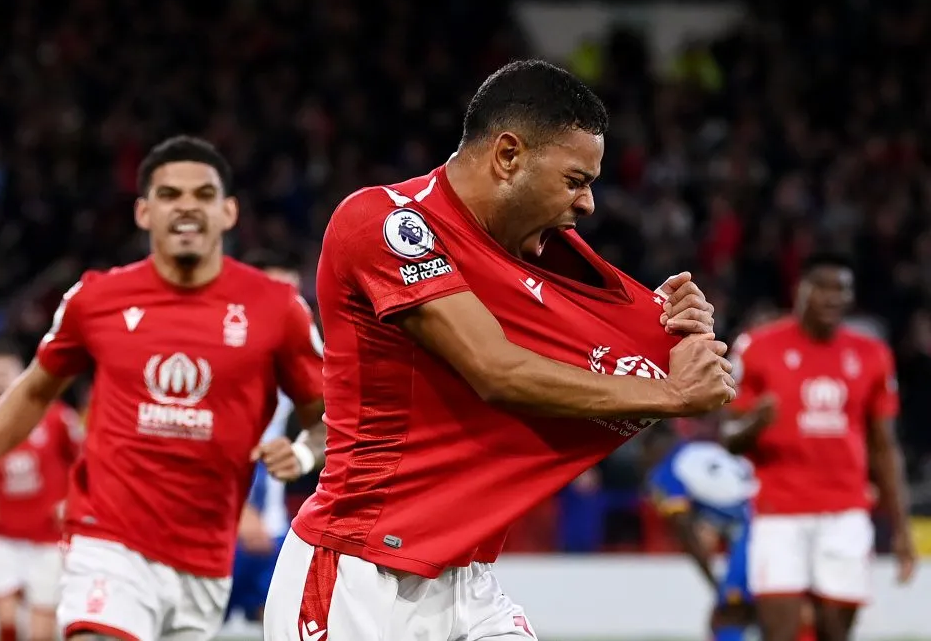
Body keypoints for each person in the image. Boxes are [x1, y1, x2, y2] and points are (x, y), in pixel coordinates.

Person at [264, 59, 735, 641]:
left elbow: (581, 357)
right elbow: (497, 371)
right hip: (361, 575)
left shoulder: (523, 259)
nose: (587, 204)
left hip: (470, 581)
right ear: (509, 156)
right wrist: (671, 391)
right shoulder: (387, 224)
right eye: (575, 180)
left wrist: (665, 332)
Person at [0, 135, 326, 641]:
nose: (186, 206)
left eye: (203, 195)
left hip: (206, 556)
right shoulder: (96, 299)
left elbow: (326, 419)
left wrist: (303, 454)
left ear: (228, 212)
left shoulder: (278, 309)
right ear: (143, 212)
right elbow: (34, 390)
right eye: (169, 194)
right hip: (107, 539)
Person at [724, 251, 916, 641]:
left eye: (841, 289)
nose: (832, 298)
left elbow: (884, 446)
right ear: (800, 291)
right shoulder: (758, 347)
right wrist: (755, 424)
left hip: (845, 512)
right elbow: (728, 438)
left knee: (835, 633)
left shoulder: (872, 355)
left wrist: (901, 529)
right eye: (822, 288)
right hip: (779, 511)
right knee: (779, 632)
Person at [0, 339, 82, 641]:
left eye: (5, 373)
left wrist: (74, 502)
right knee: (7, 619)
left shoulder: (57, 418)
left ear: (22, 374)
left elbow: (88, 462)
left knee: (41, 631)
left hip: (50, 537)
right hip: (1, 537)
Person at [226, 254, 321, 624]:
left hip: (277, 530)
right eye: (275, 291)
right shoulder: (225, 359)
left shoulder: (306, 362)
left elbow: (331, 429)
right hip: (225, 526)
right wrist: (239, 511)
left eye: (295, 294)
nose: (287, 304)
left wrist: (301, 455)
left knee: (277, 623)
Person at [644, 424, 757, 641]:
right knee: (755, 610)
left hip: (756, 527)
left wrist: (712, 580)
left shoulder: (667, 472)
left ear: (651, 449)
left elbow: (683, 527)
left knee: (728, 614)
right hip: (772, 517)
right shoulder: (701, 449)